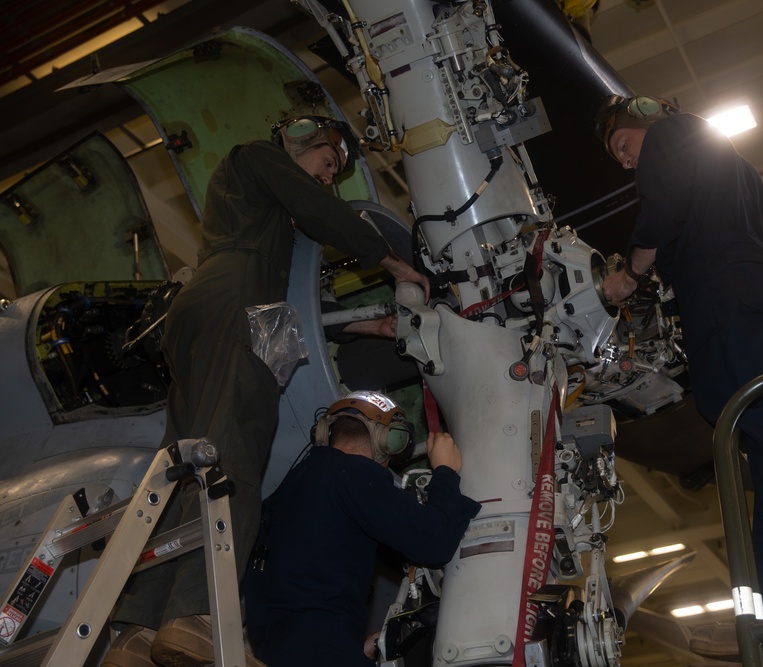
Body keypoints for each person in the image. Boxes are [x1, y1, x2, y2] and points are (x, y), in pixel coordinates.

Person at [103, 117, 430, 667]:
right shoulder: (257, 157)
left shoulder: (255, 218)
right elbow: (318, 214)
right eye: (328, 165)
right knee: (233, 460)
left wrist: (362, 328)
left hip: (213, 313)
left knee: (183, 466)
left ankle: (137, 630)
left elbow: (283, 318)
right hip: (236, 304)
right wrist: (390, 258)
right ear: (299, 143)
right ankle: (198, 615)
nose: (327, 181)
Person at [595, 95, 763, 666]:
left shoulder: (672, 136)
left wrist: (629, 276)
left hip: (727, 301)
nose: (626, 163)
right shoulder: (731, 161)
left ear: (646, 120)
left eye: (624, 145)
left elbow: (662, 208)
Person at [243, 391, 481, 666]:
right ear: (391, 440)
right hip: (324, 650)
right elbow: (434, 542)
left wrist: (352, 648)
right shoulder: (351, 472)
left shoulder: (285, 494)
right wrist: (445, 472)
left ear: (324, 432)